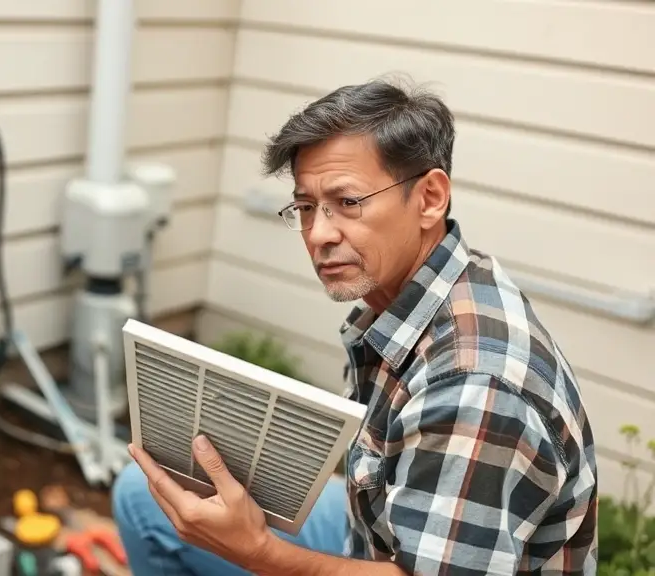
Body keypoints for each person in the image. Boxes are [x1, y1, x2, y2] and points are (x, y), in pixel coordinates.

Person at [111, 78, 599, 575]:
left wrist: (257, 550)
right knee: (140, 493)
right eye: (305, 207)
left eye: (348, 202)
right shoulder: (441, 281)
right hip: (370, 540)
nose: (319, 234)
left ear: (429, 197)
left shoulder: (473, 385)